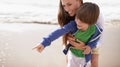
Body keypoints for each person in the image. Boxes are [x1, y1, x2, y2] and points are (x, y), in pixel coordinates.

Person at [33, 2, 102, 67]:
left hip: (85, 57)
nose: (78, 22)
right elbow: (59, 31)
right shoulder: (73, 25)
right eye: (77, 18)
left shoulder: (94, 30)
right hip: (73, 55)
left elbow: (95, 39)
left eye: (82, 21)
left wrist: (90, 47)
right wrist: (44, 42)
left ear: (91, 22)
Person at [58, 0, 104, 67]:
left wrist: (85, 46)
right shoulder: (64, 14)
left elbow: (100, 38)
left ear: (79, 1)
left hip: (91, 43)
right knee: (69, 60)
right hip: (73, 44)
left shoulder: (93, 12)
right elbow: (62, 34)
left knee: (93, 61)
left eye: (69, 4)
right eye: (64, 5)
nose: (66, 9)